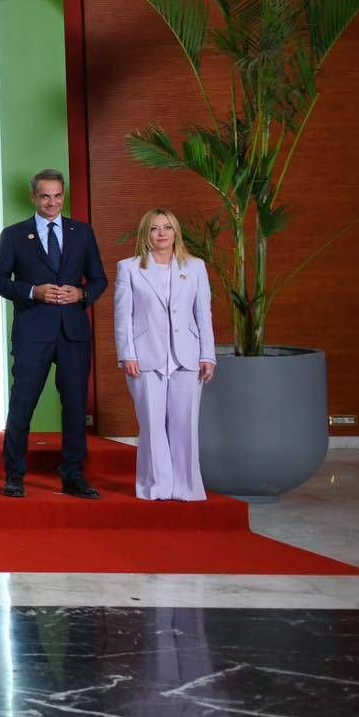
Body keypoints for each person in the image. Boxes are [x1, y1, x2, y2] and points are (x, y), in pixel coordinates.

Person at [0, 168, 108, 498]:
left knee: (75, 407)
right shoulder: (14, 235)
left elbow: (99, 279)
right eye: (45, 196)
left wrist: (81, 294)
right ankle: (15, 475)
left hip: (73, 333)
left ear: (63, 195)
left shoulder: (82, 233)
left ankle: (73, 476)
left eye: (57, 196)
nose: (52, 202)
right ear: (33, 197)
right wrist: (33, 292)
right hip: (33, 332)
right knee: (22, 405)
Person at [114, 208, 217, 501]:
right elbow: (123, 316)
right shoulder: (129, 268)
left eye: (167, 227)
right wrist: (127, 354)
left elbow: (203, 314)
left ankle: (186, 487)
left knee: (186, 425)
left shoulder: (195, 267)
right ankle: (155, 486)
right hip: (145, 356)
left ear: (175, 233)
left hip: (188, 355)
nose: (161, 233)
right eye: (155, 228)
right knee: (152, 426)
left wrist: (208, 355)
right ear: (145, 234)